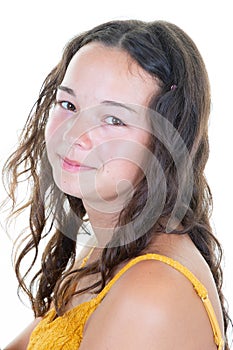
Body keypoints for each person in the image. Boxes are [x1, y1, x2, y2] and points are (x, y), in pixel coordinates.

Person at [2, 19, 232, 350]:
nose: (74, 135)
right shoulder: (108, 244)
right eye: (68, 105)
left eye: (113, 120)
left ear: (164, 143)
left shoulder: (150, 290)